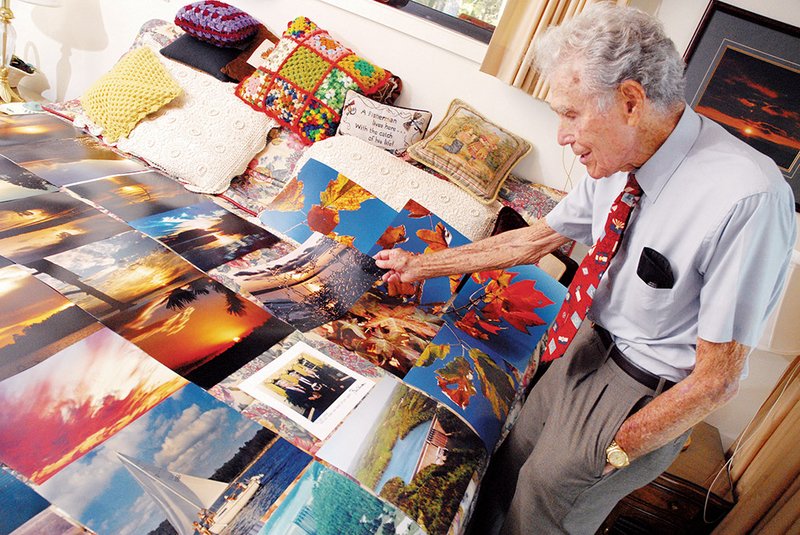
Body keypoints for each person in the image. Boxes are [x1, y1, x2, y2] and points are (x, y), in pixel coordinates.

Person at [375, 4, 796, 534]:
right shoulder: (617, 158)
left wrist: (618, 448)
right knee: (504, 469)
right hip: (585, 345)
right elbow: (539, 239)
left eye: (570, 114)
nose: (561, 135)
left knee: (541, 513)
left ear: (629, 102)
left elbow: (718, 381)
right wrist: (422, 263)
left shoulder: (747, 197)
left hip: (645, 387)